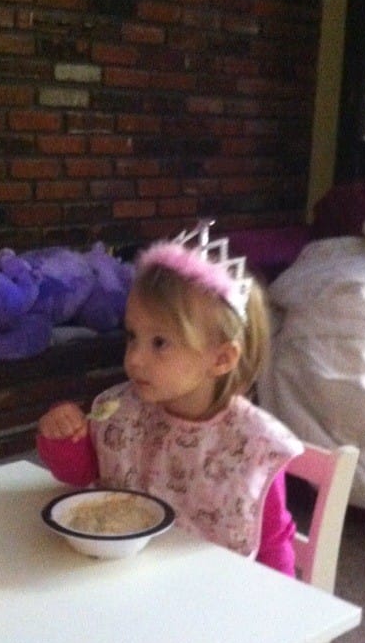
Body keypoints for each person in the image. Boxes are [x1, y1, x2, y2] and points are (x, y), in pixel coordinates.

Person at [37, 220, 303, 576]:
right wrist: (62, 435)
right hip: (126, 577)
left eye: (159, 343)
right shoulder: (123, 411)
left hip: (210, 592)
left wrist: (277, 603)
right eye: (132, 336)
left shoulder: (253, 444)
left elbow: (273, 544)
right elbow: (79, 475)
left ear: (221, 359)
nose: (134, 359)